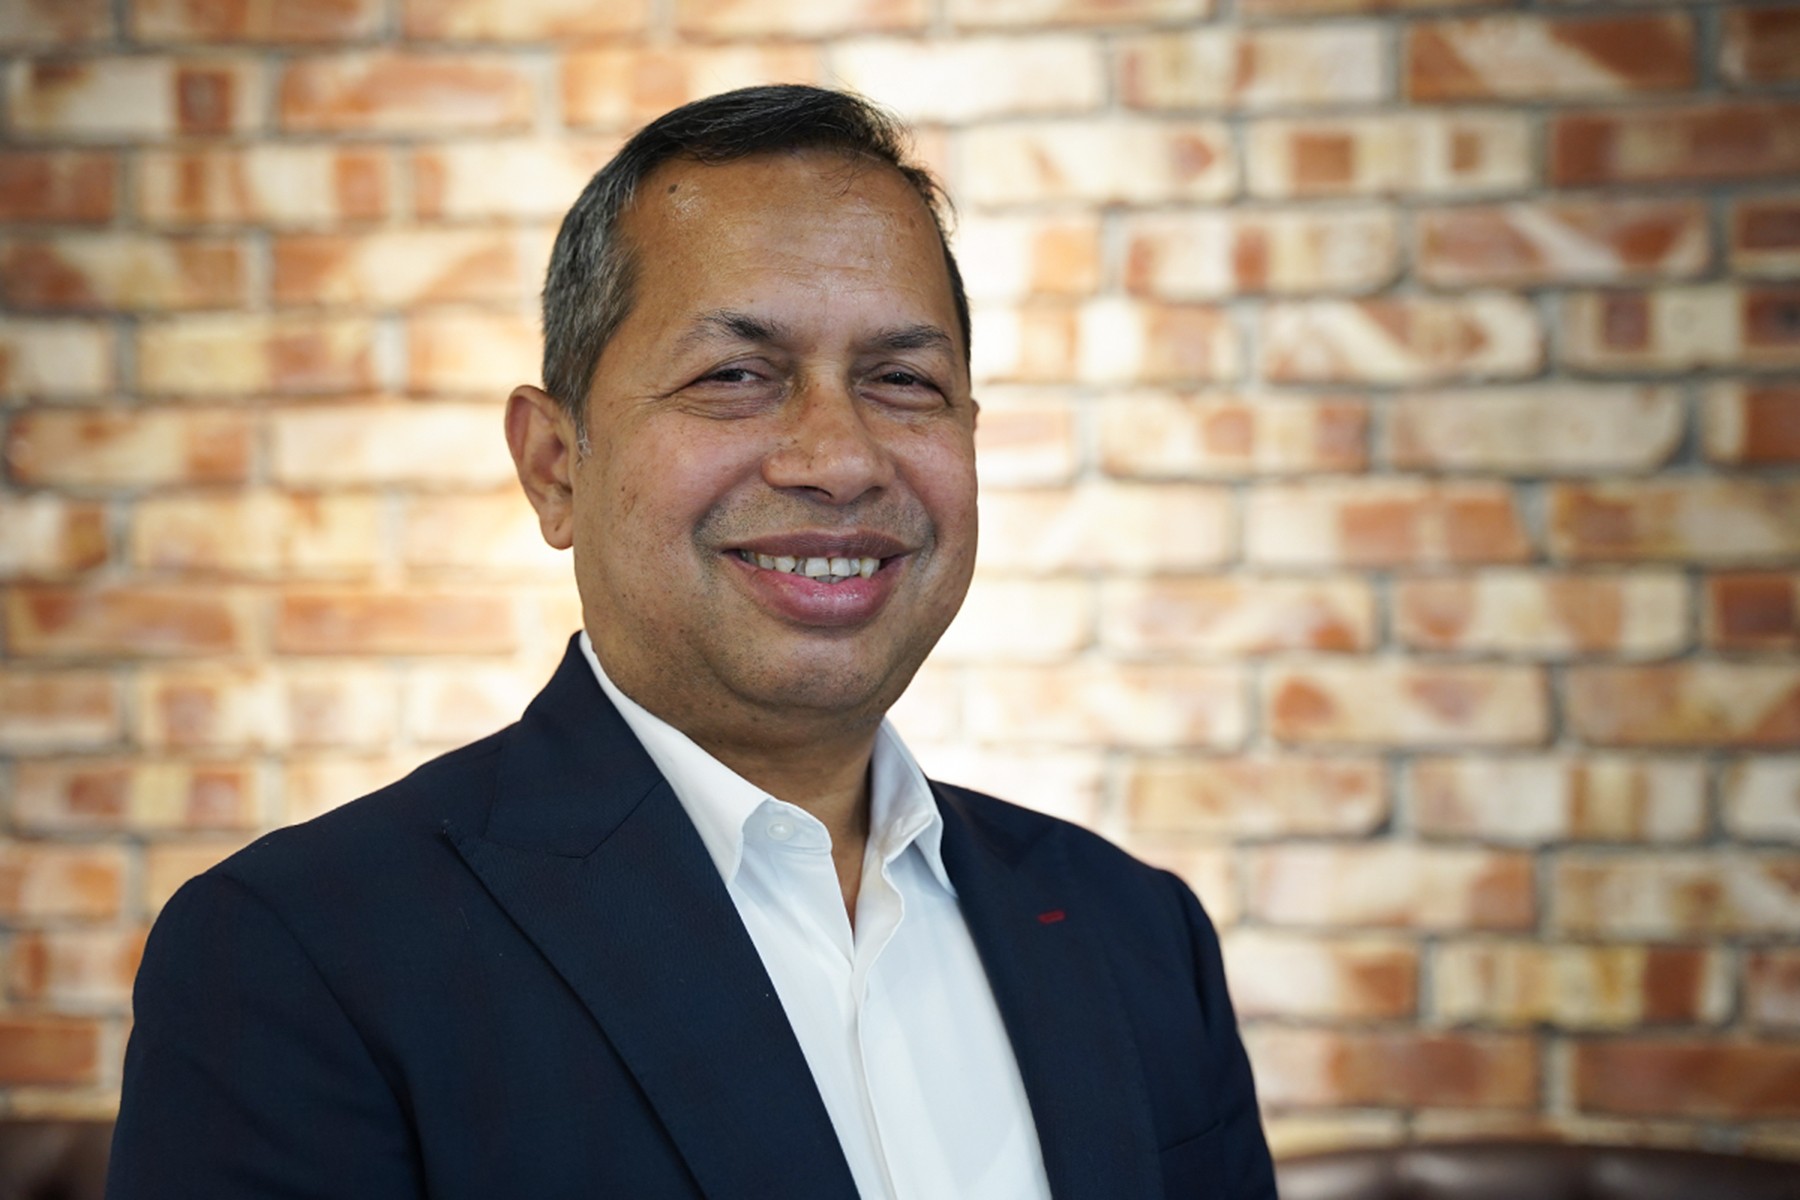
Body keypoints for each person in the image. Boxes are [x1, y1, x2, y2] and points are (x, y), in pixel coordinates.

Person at [107, 85, 1276, 1200]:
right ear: (553, 466)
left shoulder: (1135, 935)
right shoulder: (304, 956)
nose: (840, 459)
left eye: (902, 379)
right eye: (735, 375)